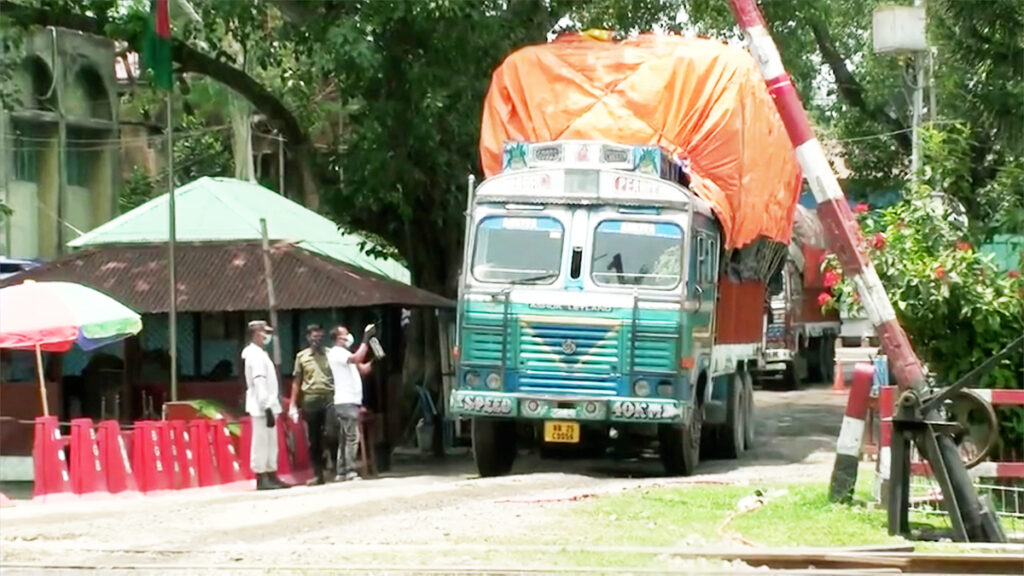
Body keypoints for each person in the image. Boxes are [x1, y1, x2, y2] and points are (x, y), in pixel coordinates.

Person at [242, 320, 288, 491]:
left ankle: (271, 473)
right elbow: (259, 381)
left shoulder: (261, 353)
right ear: (256, 334)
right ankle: (261, 477)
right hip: (261, 407)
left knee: (271, 442)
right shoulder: (255, 355)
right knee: (261, 442)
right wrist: (266, 405)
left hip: (268, 405)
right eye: (264, 332)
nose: (267, 336)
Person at [327, 323, 376, 482]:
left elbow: (363, 368)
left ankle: (342, 471)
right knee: (352, 437)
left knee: (345, 438)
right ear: (338, 338)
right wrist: (365, 339)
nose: (348, 336)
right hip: (346, 401)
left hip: (349, 401)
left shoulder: (345, 354)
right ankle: (349, 470)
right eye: (345, 334)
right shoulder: (337, 352)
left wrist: (375, 360)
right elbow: (357, 358)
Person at [288, 324, 334, 485]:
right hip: (310, 400)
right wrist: (293, 404)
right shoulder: (302, 357)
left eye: (320, 337)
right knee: (314, 439)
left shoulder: (330, 354)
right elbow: (297, 381)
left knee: (331, 433)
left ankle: (334, 467)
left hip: (329, 398)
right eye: (314, 337)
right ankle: (318, 474)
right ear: (308, 338)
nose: (317, 340)